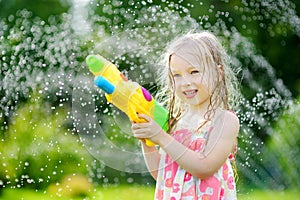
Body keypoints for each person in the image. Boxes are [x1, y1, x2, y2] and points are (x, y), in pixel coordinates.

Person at [131, 31, 240, 200]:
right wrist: (148, 142)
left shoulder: (225, 120)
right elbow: (162, 174)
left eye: (194, 71)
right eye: (177, 75)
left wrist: (161, 137)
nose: (186, 82)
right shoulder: (177, 122)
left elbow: (204, 167)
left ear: (218, 73)